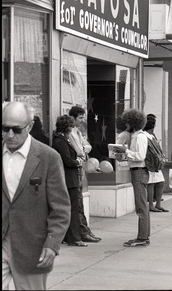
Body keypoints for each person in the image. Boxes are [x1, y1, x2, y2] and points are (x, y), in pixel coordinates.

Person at [2, 101, 71, 290]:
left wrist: (53, 243)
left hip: (31, 247)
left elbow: (61, 207)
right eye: (4, 128)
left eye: (16, 130)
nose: (9, 135)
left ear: (30, 127)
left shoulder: (48, 157)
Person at [114, 108, 150, 247]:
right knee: (142, 206)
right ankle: (144, 236)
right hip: (138, 170)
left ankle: (142, 238)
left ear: (132, 122)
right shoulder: (138, 136)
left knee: (141, 207)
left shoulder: (139, 136)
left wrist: (125, 151)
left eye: (128, 122)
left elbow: (140, 156)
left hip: (139, 171)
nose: (126, 124)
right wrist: (124, 156)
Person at [52, 115, 87, 247]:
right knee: (72, 210)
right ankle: (74, 238)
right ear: (67, 127)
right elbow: (67, 160)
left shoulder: (62, 140)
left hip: (69, 178)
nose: (72, 128)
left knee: (69, 209)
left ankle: (68, 236)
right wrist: (77, 162)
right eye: (71, 126)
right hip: (68, 179)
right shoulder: (60, 141)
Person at [69, 106, 101, 243]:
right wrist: (83, 149)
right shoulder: (70, 132)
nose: (82, 120)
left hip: (80, 168)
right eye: (80, 117)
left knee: (80, 201)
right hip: (75, 169)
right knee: (78, 203)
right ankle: (82, 232)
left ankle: (85, 230)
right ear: (73, 118)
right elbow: (80, 151)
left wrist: (83, 148)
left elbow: (88, 146)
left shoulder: (78, 132)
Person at [143, 114, 169, 212]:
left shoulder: (151, 135)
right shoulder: (145, 135)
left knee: (160, 182)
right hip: (150, 163)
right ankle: (151, 205)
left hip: (156, 163)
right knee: (151, 184)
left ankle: (158, 204)